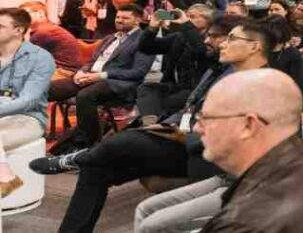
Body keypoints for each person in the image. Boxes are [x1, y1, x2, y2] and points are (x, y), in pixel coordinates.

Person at [34, 17, 272, 233]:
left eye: (230, 39)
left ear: (254, 47)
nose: (217, 43)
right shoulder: (220, 70)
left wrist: (183, 135)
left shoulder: (263, 84)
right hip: (183, 139)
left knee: (126, 140)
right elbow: (191, 107)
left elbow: (241, 140)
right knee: (97, 167)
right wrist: (170, 126)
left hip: (206, 155)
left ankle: (79, 156)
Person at [196, 69, 303, 233]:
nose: (197, 128)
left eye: (207, 118)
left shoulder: (252, 219)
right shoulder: (300, 163)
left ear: (249, 125)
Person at [50, 4, 155, 148]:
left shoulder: (145, 41)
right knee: (51, 88)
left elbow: (138, 72)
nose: (119, 20)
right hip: (91, 77)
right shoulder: (110, 38)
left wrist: (101, 75)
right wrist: (82, 71)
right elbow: (92, 61)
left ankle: (87, 142)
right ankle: (32, 129)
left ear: (137, 20)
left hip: (117, 82)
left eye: (125, 18)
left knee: (85, 95)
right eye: (118, 17)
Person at [0, 8, 56, 197]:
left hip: (28, 118)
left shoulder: (40, 58)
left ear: (19, 30)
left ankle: (6, 178)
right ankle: (7, 177)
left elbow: (28, 100)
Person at [136, 4, 215, 125]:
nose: (187, 19)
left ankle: (158, 126)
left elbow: (200, 50)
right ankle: (150, 123)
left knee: (167, 102)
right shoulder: (179, 37)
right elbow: (145, 47)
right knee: (146, 88)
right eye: (187, 16)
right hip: (175, 85)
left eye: (192, 17)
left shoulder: (212, 39)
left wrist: (185, 23)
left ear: (208, 20)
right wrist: (152, 27)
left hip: (197, 89)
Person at [18, 0, 84, 81]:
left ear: (40, 14)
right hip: (61, 69)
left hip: (64, 72)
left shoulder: (44, 32)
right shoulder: (48, 27)